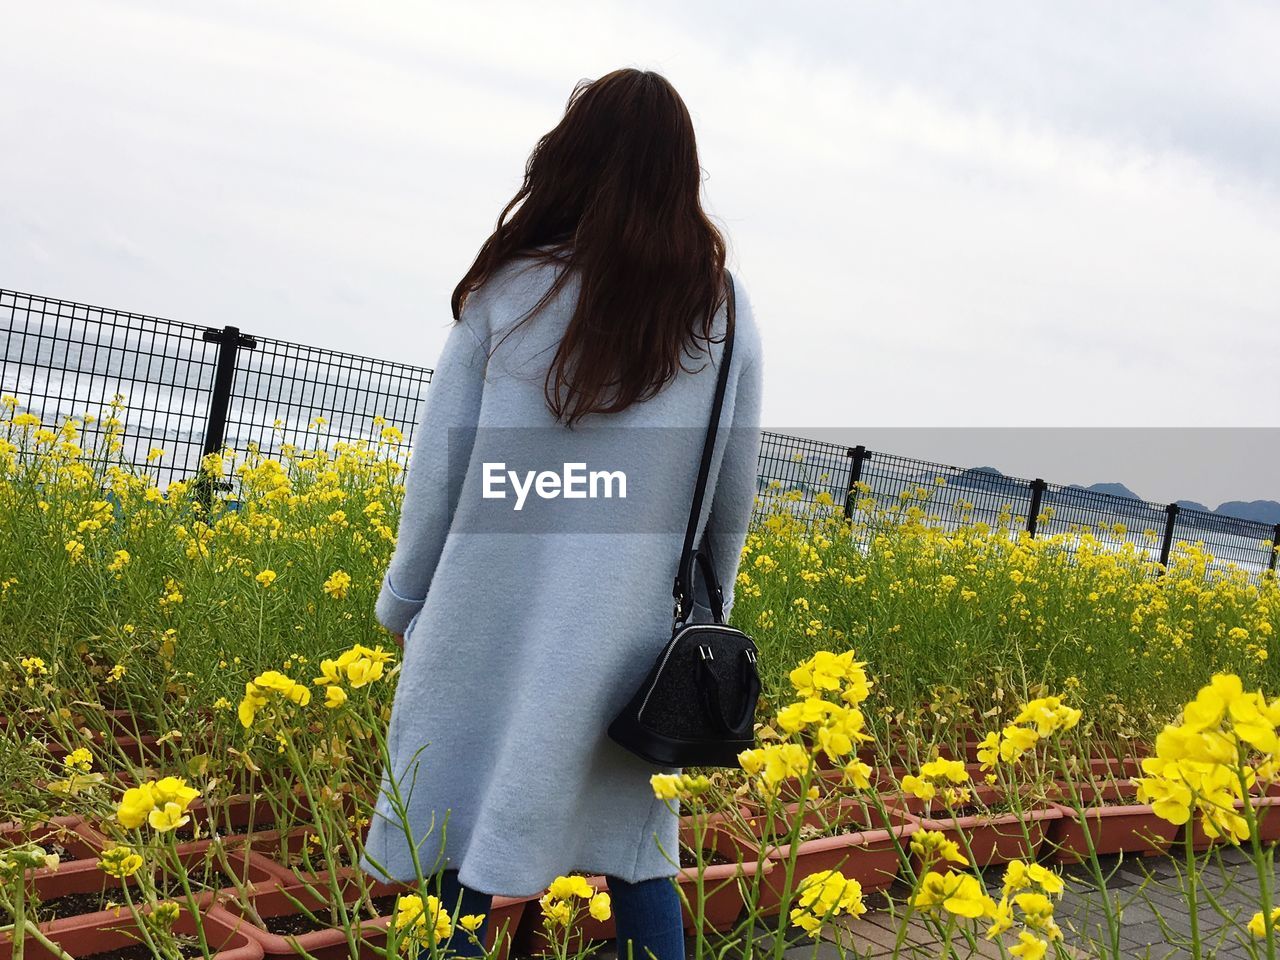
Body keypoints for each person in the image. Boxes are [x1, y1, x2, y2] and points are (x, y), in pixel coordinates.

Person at [359, 67, 764, 960]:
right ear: (680, 176)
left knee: (458, 830)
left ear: (568, 158)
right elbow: (730, 499)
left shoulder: (509, 293)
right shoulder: (723, 313)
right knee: (634, 849)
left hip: (483, 609)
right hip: (626, 638)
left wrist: (403, 604)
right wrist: (707, 619)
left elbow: (440, 476)